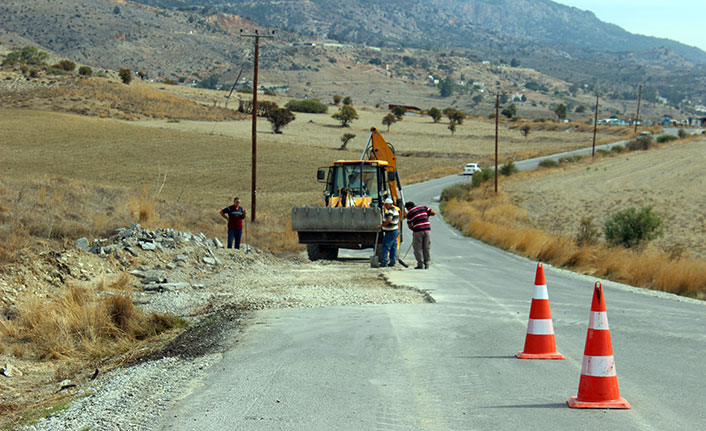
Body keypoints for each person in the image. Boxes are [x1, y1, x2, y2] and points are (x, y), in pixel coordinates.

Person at [405, 201, 436, 269]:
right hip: (427, 230)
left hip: (418, 231)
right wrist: (427, 216)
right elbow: (434, 212)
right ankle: (427, 263)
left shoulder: (410, 212)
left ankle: (420, 264)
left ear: (409, 207)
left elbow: (409, 225)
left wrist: (414, 229)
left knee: (417, 248)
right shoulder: (424, 207)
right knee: (426, 247)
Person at [376, 197, 400, 267]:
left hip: (391, 231)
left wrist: (381, 226)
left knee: (386, 246)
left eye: (386, 205)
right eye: (385, 205)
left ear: (390, 204)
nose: (385, 206)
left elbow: (389, 220)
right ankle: (392, 262)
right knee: (393, 247)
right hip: (394, 231)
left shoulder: (390, 211)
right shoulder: (395, 210)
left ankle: (384, 262)